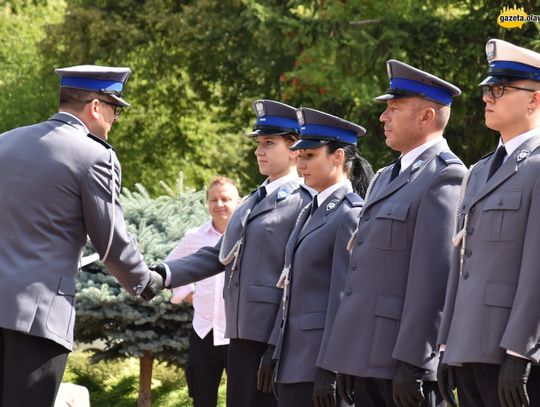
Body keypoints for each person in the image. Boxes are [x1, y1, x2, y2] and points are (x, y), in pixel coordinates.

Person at [0, 65, 164, 407]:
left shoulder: (6, 141)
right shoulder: (95, 156)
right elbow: (111, 242)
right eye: (115, 108)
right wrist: (144, 281)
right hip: (37, 315)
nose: (115, 119)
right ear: (94, 106)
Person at [321, 60, 466, 407]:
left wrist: (417, 360)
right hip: (368, 354)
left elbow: (434, 277)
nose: (383, 117)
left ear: (426, 116)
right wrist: (348, 357)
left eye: (394, 108)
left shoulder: (445, 176)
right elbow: (363, 272)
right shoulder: (386, 176)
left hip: (403, 361)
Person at [151, 99, 313, 407]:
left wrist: (278, 344)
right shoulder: (253, 200)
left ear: (294, 149)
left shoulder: (304, 201)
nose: (259, 150)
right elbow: (218, 254)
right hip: (239, 332)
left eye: (269, 143)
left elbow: (300, 281)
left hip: (272, 338)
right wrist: (165, 274)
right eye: (258, 143)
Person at [437, 39, 540, 407]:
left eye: (499, 89)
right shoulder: (478, 171)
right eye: (486, 90)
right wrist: (447, 343)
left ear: (535, 99)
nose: (487, 98)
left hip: (512, 351)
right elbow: (461, 262)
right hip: (470, 346)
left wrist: (522, 349)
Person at [258, 107, 373, 407]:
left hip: (317, 365)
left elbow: (344, 298)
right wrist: (274, 347)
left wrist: (331, 367)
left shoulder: (350, 213)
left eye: (310, 155)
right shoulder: (311, 210)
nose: (301, 162)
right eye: (300, 154)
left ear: (338, 157)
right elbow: (291, 289)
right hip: (292, 361)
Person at [166, 177, 240, 407]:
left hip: (237, 332)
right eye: (213, 199)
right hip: (203, 331)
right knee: (202, 399)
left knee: (241, 399)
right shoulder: (194, 237)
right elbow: (171, 265)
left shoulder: (248, 235)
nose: (219, 204)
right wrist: (187, 294)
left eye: (226, 199)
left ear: (238, 202)